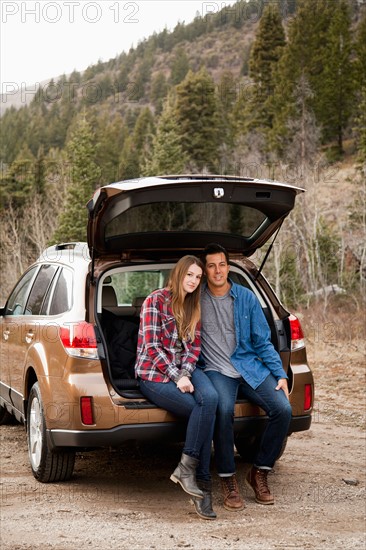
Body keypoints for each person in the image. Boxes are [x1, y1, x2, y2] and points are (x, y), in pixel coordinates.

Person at [200, 243, 292, 511]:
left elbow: (262, 341)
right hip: (217, 370)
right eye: (211, 265)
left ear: (228, 266)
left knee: (283, 409)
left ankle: (260, 471)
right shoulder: (197, 299)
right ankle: (228, 479)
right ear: (205, 270)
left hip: (249, 366)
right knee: (224, 409)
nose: (218, 270)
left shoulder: (246, 298)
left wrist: (279, 373)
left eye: (222, 264)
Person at [135, 255, 219, 520]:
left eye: (198, 277)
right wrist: (176, 377)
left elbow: (194, 348)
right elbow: (152, 347)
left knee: (211, 400)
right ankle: (203, 486)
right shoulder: (155, 301)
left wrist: (185, 373)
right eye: (189, 275)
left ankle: (187, 469)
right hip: (153, 374)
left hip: (184, 371)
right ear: (179, 274)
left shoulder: (195, 306)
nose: (194, 281)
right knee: (200, 410)